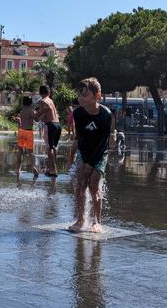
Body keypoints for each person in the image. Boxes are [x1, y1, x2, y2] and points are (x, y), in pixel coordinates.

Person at [68, 77, 115, 233]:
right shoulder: (78, 114)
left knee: (94, 184)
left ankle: (97, 221)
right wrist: (81, 160)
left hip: (101, 152)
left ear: (97, 96)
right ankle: (81, 219)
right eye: (79, 95)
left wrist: (91, 164)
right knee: (81, 182)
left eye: (84, 95)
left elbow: (103, 142)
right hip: (84, 150)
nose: (80, 98)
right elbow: (80, 138)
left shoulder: (106, 115)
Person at [34, 85, 61, 176]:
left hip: (51, 125)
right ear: (49, 92)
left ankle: (53, 170)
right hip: (57, 124)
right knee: (53, 147)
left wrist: (36, 115)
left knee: (50, 148)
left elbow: (45, 110)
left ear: (40, 93)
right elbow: (48, 112)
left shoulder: (42, 101)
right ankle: (51, 168)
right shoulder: (51, 100)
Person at [14, 95, 37, 176]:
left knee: (20, 151)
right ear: (31, 103)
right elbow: (36, 117)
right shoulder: (31, 111)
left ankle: (17, 169)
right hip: (28, 132)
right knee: (31, 152)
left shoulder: (22, 111)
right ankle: (33, 167)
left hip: (21, 131)